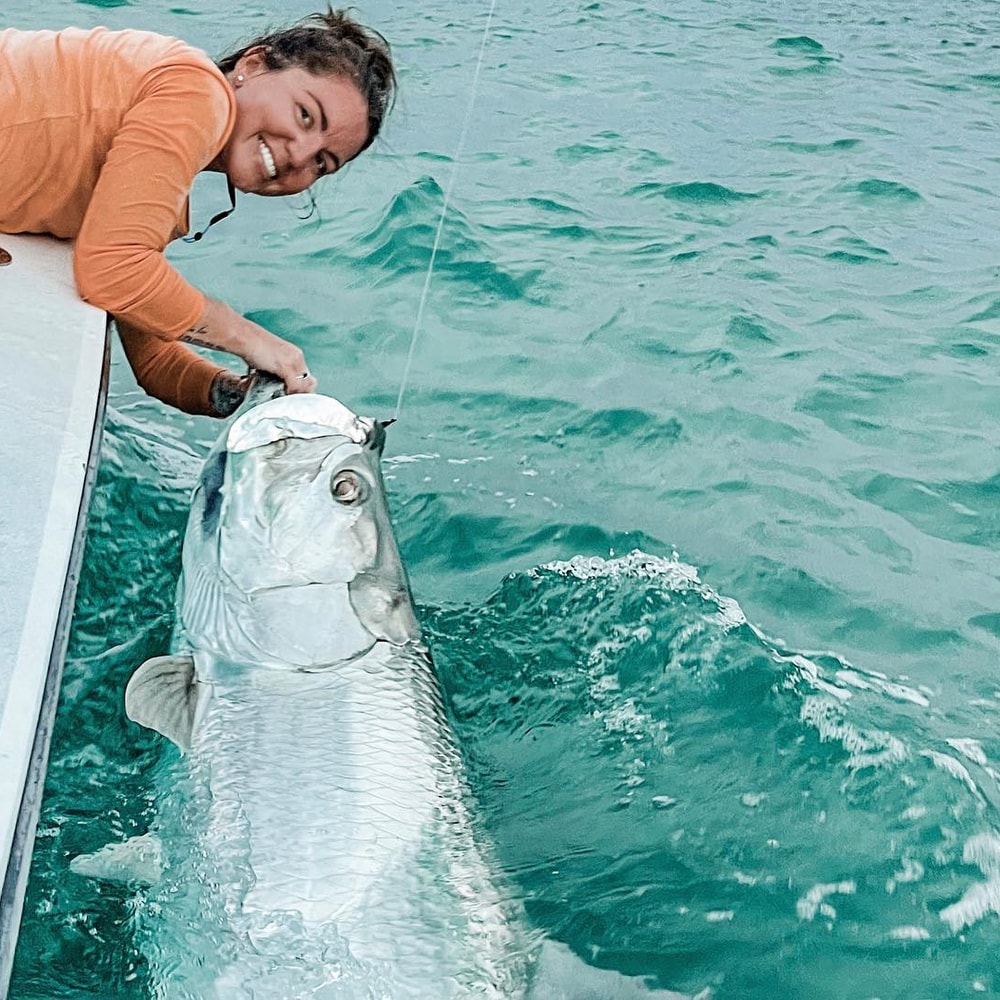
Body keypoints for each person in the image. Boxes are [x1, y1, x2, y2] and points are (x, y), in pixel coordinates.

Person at [0, 8, 395, 416]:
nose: (299, 154)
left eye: (322, 163)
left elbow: (155, 364)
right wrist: (249, 338)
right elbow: (113, 273)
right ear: (253, 65)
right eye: (305, 115)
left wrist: (248, 392)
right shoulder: (195, 91)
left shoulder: (147, 184)